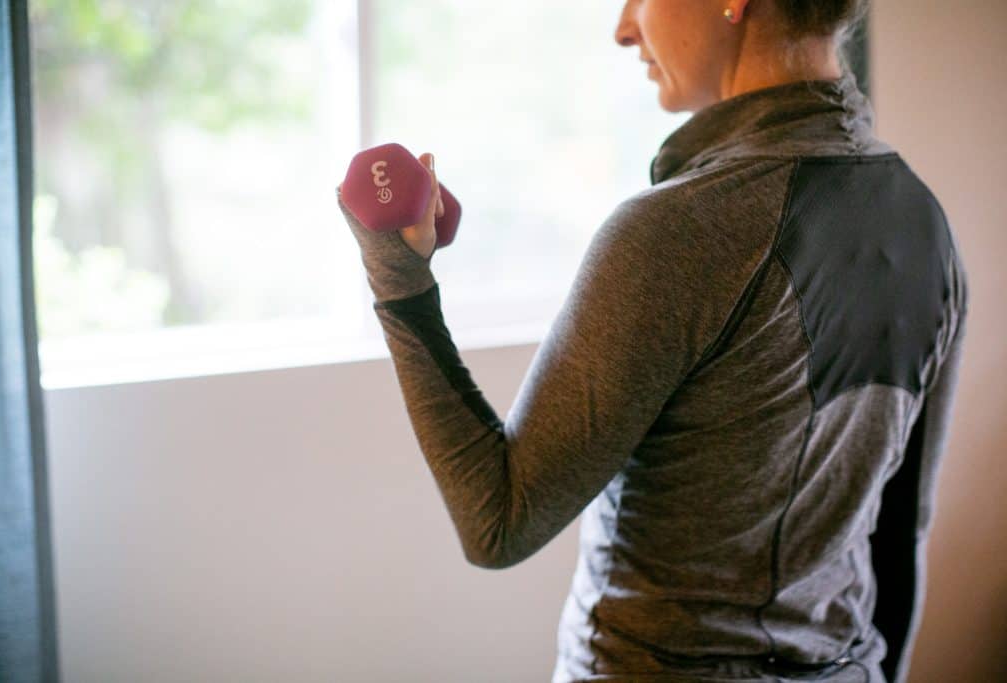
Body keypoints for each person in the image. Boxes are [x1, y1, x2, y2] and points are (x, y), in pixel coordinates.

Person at [335, 0, 969, 681]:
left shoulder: (677, 230)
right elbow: (900, 538)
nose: (624, 26)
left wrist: (397, 278)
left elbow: (498, 521)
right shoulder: (925, 224)